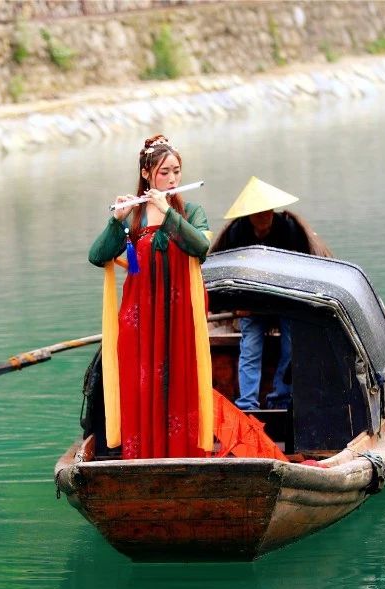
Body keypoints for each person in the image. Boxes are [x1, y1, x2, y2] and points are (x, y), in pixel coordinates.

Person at [89, 136, 285, 461]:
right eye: (164, 172)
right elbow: (98, 256)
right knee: (142, 388)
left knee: (182, 388)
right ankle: (142, 460)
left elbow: (200, 247)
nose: (172, 179)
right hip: (139, 319)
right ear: (147, 174)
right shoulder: (134, 219)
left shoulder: (191, 212)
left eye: (176, 172)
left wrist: (168, 213)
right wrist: (117, 220)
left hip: (181, 317)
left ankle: (183, 458)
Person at [210, 177, 333, 411]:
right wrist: (238, 308)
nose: (263, 216)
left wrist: (289, 303)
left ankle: (281, 397)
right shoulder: (237, 233)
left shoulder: (288, 229)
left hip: (284, 301)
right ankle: (247, 404)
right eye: (257, 212)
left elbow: (300, 269)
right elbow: (230, 274)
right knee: (250, 347)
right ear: (249, 215)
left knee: (290, 346)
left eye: (267, 211)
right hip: (251, 304)